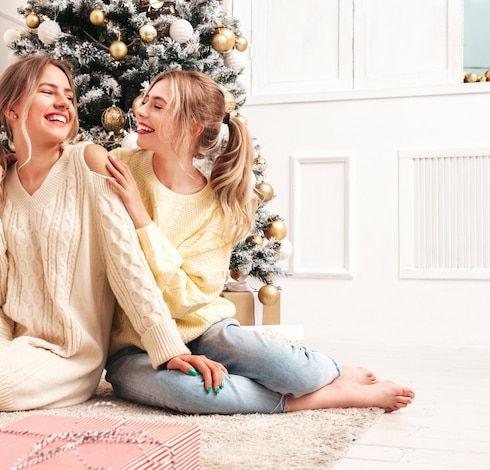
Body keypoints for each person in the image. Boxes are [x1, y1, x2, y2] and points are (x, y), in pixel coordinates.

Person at [0, 56, 225, 413]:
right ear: (12, 110)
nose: (63, 102)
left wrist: (168, 347)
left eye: (68, 95)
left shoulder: (89, 161)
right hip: (5, 324)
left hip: (67, 348)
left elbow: (128, 266)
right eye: (48, 92)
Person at [104, 69, 415, 414]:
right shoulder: (120, 166)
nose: (140, 110)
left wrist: (141, 218)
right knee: (193, 394)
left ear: (191, 128)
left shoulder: (216, 208)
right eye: (145, 100)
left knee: (297, 371)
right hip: (132, 348)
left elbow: (187, 299)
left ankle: (329, 372)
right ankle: (323, 396)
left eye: (157, 106)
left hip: (203, 327)